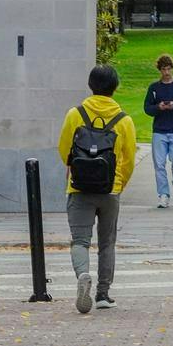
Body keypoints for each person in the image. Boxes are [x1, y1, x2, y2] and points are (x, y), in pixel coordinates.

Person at [58, 65, 138, 313]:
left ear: (91, 85)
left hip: (79, 188)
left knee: (80, 241)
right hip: (109, 190)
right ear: (115, 87)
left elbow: (64, 150)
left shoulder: (75, 114)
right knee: (107, 243)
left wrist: (75, 168)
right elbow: (129, 159)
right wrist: (119, 184)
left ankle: (83, 274)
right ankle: (103, 293)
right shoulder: (124, 120)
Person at [142, 54, 173, 209]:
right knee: (159, 164)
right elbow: (147, 108)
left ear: (172, 68)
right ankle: (163, 194)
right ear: (160, 70)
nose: (166, 72)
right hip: (159, 130)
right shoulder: (154, 88)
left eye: (169, 69)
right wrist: (159, 107)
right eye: (164, 69)